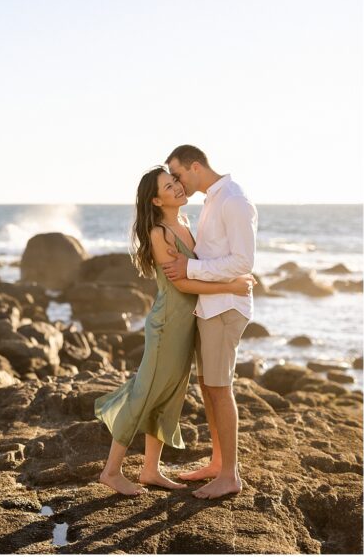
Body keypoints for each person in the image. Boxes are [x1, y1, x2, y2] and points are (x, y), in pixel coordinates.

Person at [95, 166, 254, 497]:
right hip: (168, 324)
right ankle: (110, 472)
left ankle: (150, 470)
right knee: (145, 393)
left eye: (175, 182)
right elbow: (182, 283)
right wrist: (232, 286)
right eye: (169, 186)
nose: (178, 188)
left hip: (187, 323)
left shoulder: (183, 223)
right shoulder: (160, 234)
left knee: (167, 396)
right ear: (156, 200)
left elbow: (199, 269)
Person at [163, 144, 257, 499]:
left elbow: (243, 261)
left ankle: (230, 475)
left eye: (178, 175)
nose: (177, 183)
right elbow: (218, 255)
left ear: (196, 167)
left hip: (225, 308)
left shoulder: (233, 199)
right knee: (208, 386)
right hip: (210, 306)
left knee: (220, 388)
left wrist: (190, 268)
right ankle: (218, 463)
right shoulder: (212, 200)